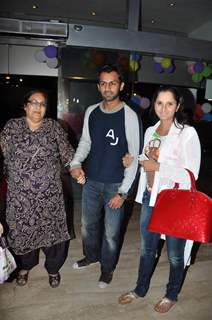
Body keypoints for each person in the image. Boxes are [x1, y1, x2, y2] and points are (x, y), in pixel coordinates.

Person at [118, 86, 201, 312]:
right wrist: (133, 161)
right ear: (153, 105)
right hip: (150, 197)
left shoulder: (187, 133)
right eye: (159, 103)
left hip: (174, 201)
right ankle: (140, 289)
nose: (163, 108)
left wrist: (159, 166)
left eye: (169, 104)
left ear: (177, 106)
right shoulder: (150, 131)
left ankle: (171, 294)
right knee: (147, 249)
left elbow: (191, 174)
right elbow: (148, 162)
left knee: (175, 254)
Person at [70, 64, 141, 288]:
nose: (108, 87)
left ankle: (107, 269)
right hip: (91, 182)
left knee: (111, 233)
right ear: (99, 85)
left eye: (112, 83)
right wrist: (75, 162)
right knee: (87, 226)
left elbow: (134, 156)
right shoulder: (91, 111)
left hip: (115, 185)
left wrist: (123, 191)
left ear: (120, 85)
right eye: (103, 83)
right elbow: (86, 142)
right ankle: (91, 256)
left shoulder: (129, 115)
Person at [0, 89, 75, 288]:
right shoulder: (12, 127)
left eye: (42, 104)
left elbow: (67, 154)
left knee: (54, 237)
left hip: (49, 197)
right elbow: (3, 156)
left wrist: (76, 169)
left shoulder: (53, 127)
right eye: (33, 102)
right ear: (25, 105)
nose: (38, 107)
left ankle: (53, 269)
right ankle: (25, 266)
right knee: (22, 235)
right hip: (20, 199)